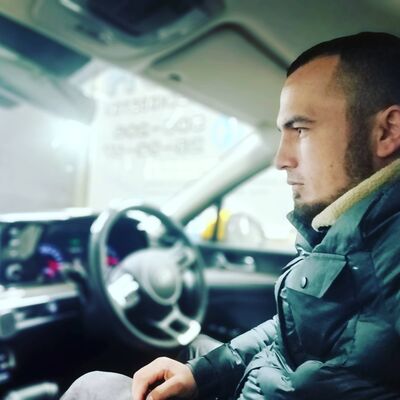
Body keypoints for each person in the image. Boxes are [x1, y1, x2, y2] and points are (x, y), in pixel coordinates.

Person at [62, 31, 400, 400]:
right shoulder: (352, 229)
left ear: (387, 131)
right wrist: (201, 374)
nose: (281, 159)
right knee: (191, 352)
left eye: (300, 130)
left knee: (91, 387)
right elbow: (294, 333)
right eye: (282, 133)